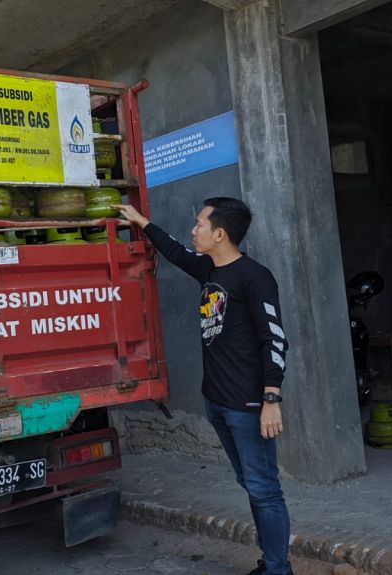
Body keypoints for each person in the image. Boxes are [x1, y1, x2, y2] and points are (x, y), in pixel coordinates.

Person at [116, 198, 292, 575]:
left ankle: (278, 569)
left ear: (220, 233)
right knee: (249, 482)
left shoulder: (254, 277)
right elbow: (175, 252)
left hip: (248, 404)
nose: (193, 230)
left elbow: (274, 339)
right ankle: (271, 562)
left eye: (199, 224)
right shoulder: (208, 269)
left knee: (264, 489)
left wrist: (271, 398)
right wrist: (142, 222)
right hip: (217, 401)